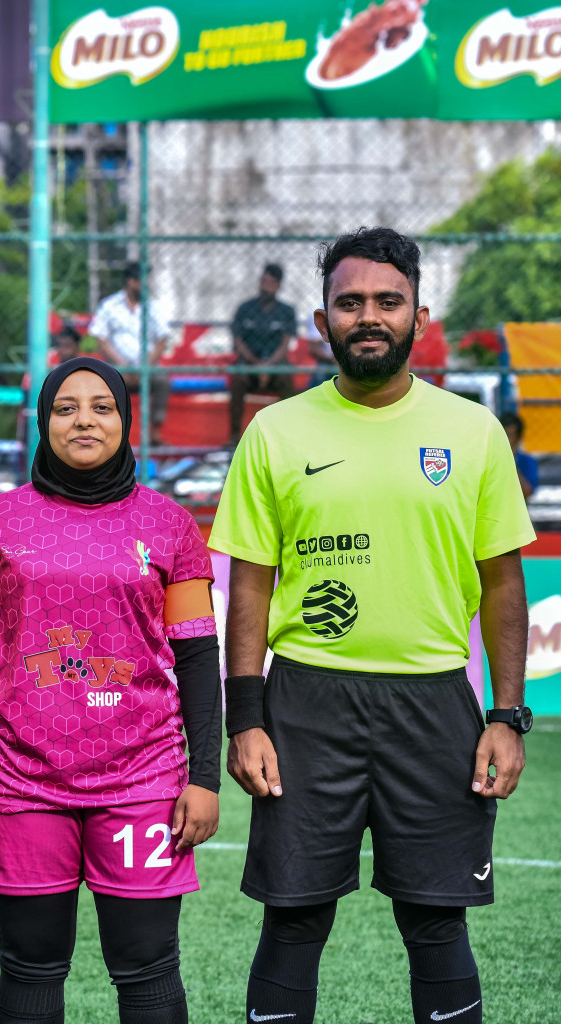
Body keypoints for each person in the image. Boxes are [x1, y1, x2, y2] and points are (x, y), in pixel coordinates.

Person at [211, 227, 535, 1024]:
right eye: (349, 302)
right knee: (294, 917)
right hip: (306, 704)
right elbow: (249, 587)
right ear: (320, 322)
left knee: (434, 919)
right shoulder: (276, 432)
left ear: (419, 316)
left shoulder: (472, 432)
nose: (369, 317)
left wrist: (506, 715)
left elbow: (503, 587)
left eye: (387, 302)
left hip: (433, 701)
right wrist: (245, 719)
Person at [0, 357, 222, 1024]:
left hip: (145, 779)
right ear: (42, 423)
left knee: (148, 968)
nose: (85, 420)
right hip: (22, 780)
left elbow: (199, 658)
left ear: (125, 421)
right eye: (66, 408)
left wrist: (204, 777)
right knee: (31, 967)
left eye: (102, 407)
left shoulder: (171, 526)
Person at [87, 262, 173, 429]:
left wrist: (144, 366)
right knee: (101, 382)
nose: (146, 284)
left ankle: (155, 433)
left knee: (162, 380)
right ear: (131, 281)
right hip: (117, 367)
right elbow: (100, 339)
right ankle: (106, 431)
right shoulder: (110, 305)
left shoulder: (153, 307)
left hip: (146, 368)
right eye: (142, 280)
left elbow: (162, 340)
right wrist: (122, 365)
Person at [229, 263, 298, 442]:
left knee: (286, 377)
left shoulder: (286, 311)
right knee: (238, 377)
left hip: (275, 362)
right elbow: (238, 341)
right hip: (250, 362)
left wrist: (268, 367)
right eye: (263, 281)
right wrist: (257, 365)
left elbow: (285, 344)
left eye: (270, 282)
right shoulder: (245, 308)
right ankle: (234, 435)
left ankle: (288, 435)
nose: (265, 286)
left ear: (278, 285)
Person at [500, 411, 539, 501]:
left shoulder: (527, 462)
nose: (505, 438)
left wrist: (510, 463)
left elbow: (528, 492)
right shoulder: (488, 460)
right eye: (502, 434)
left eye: (510, 435)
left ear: (518, 437)